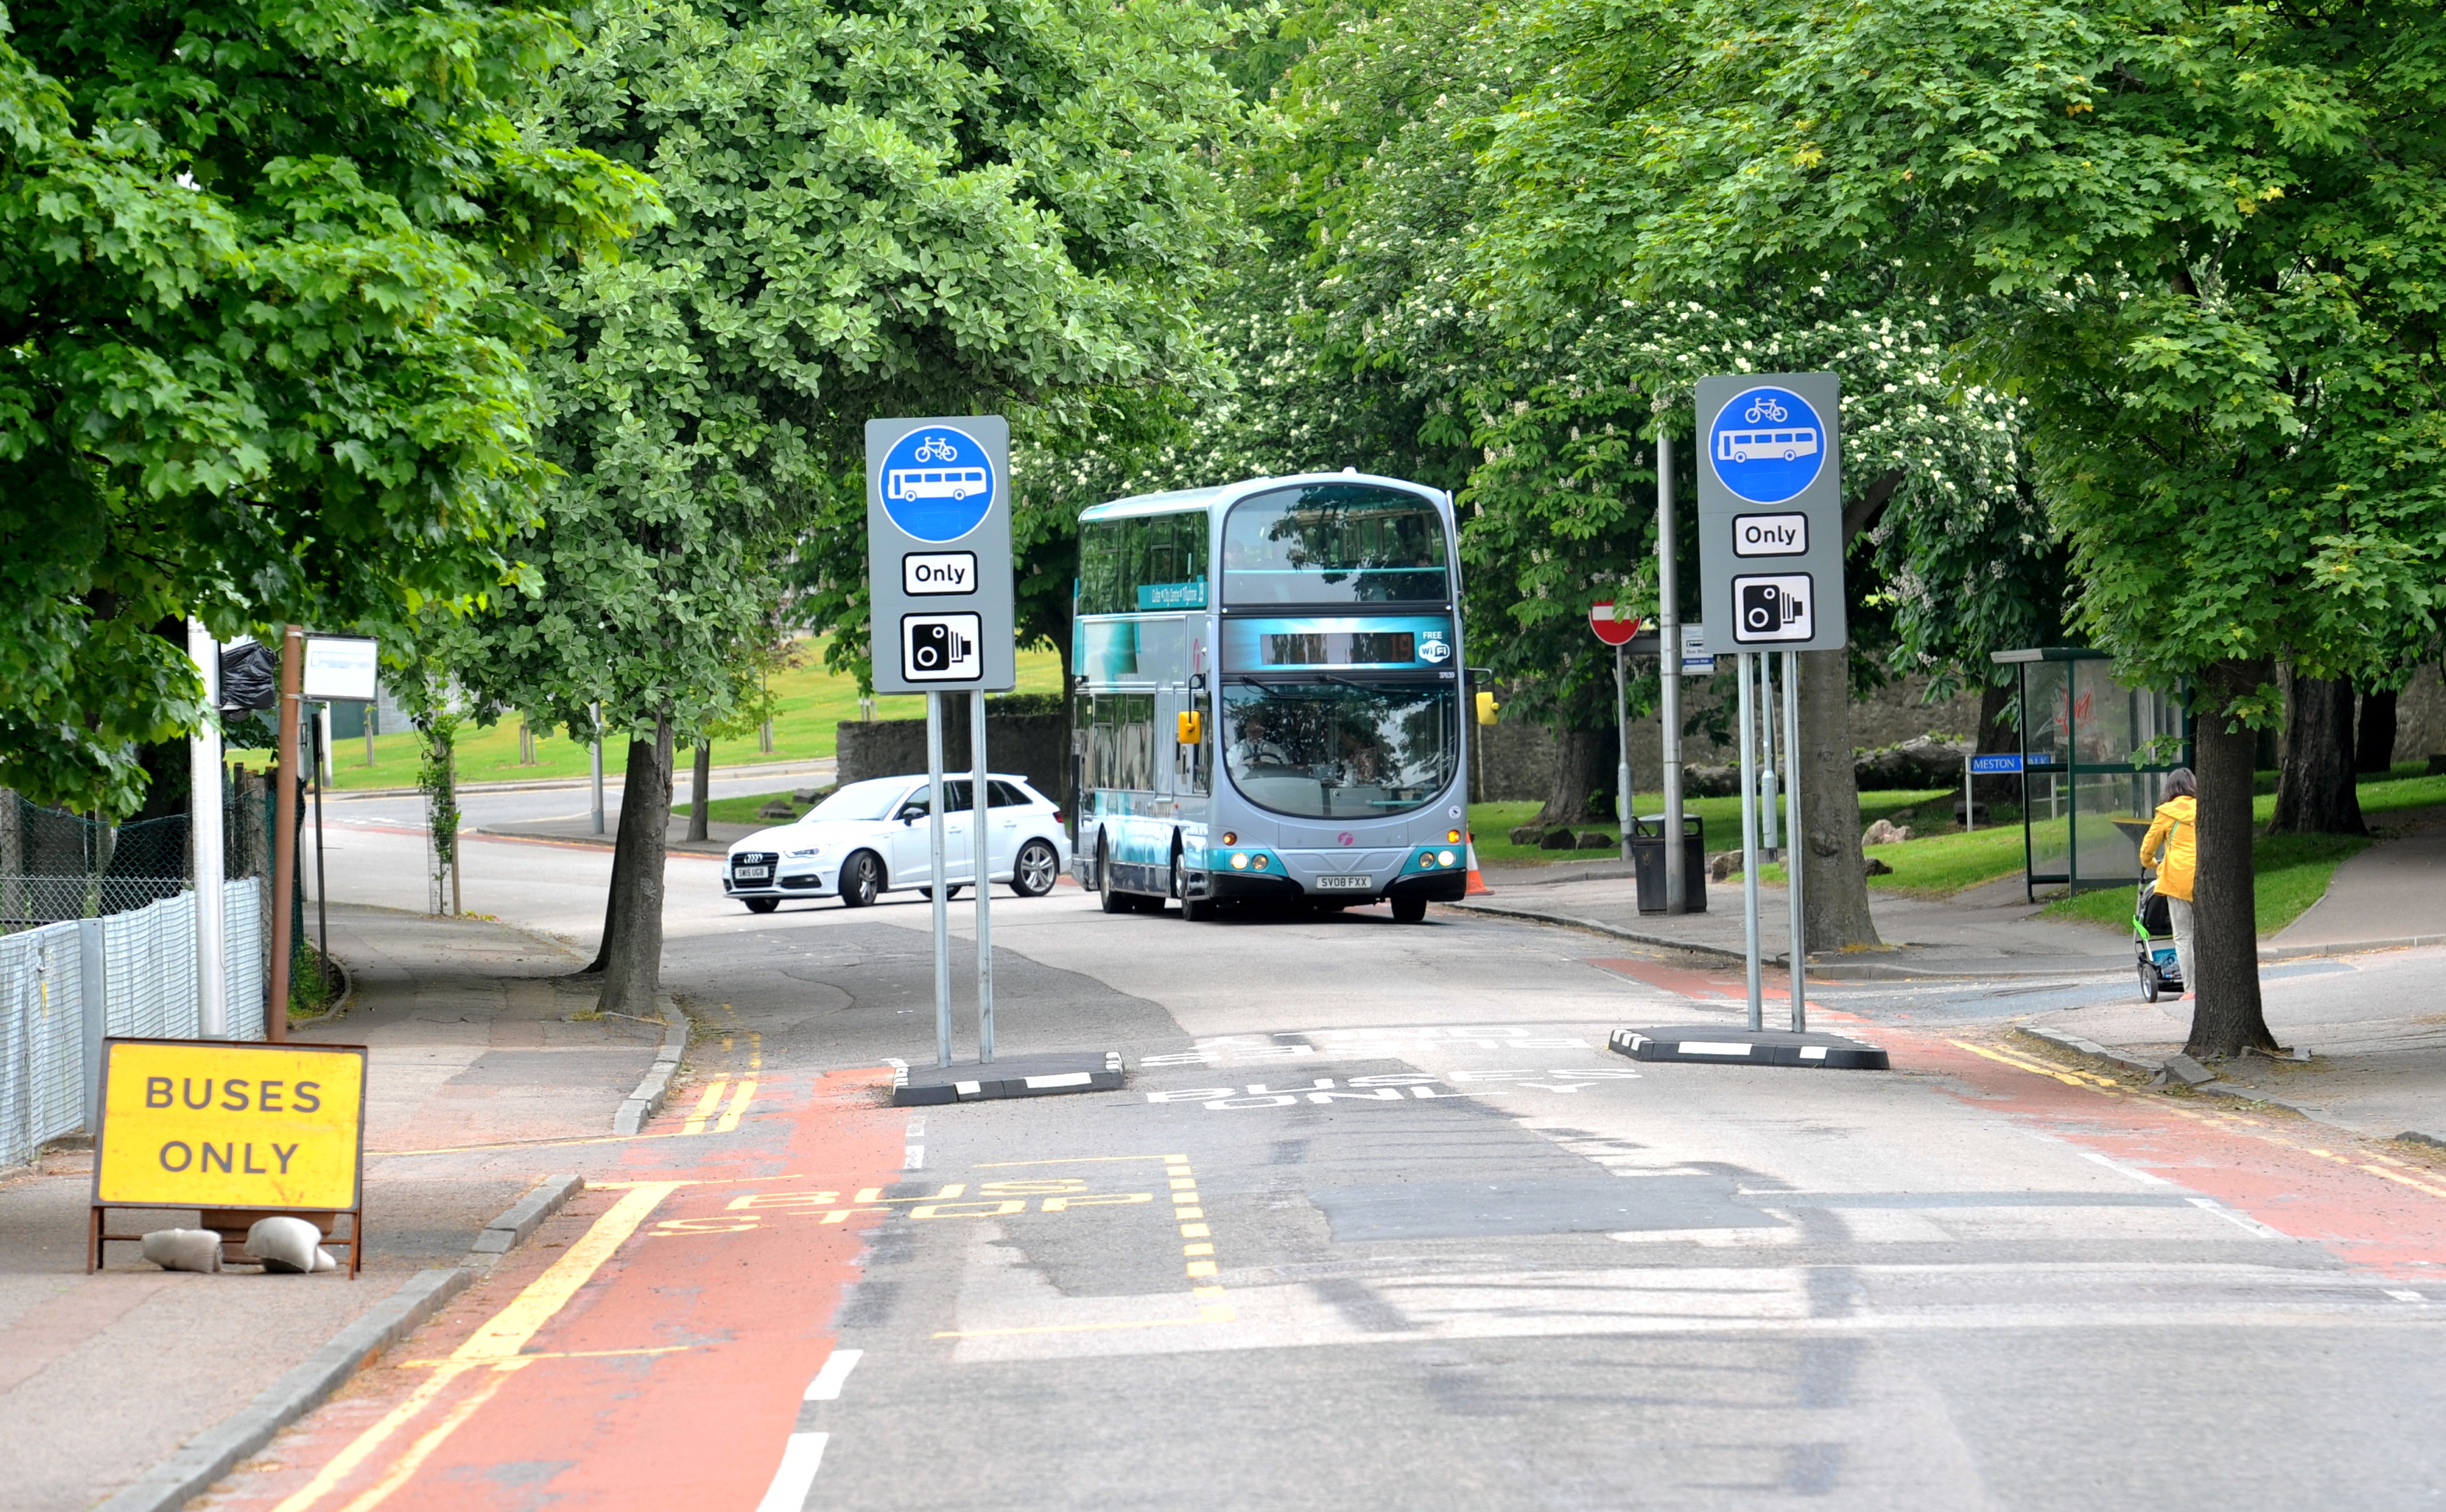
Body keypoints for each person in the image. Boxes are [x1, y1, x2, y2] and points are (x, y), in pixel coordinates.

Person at [2138, 769, 2200, 1000]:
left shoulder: (2165, 814)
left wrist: (2152, 863)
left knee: (2184, 937)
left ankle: (2191, 990)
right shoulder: (2203, 808)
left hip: (2178, 881)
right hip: (2205, 878)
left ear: (2170, 789)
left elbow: (2147, 849)